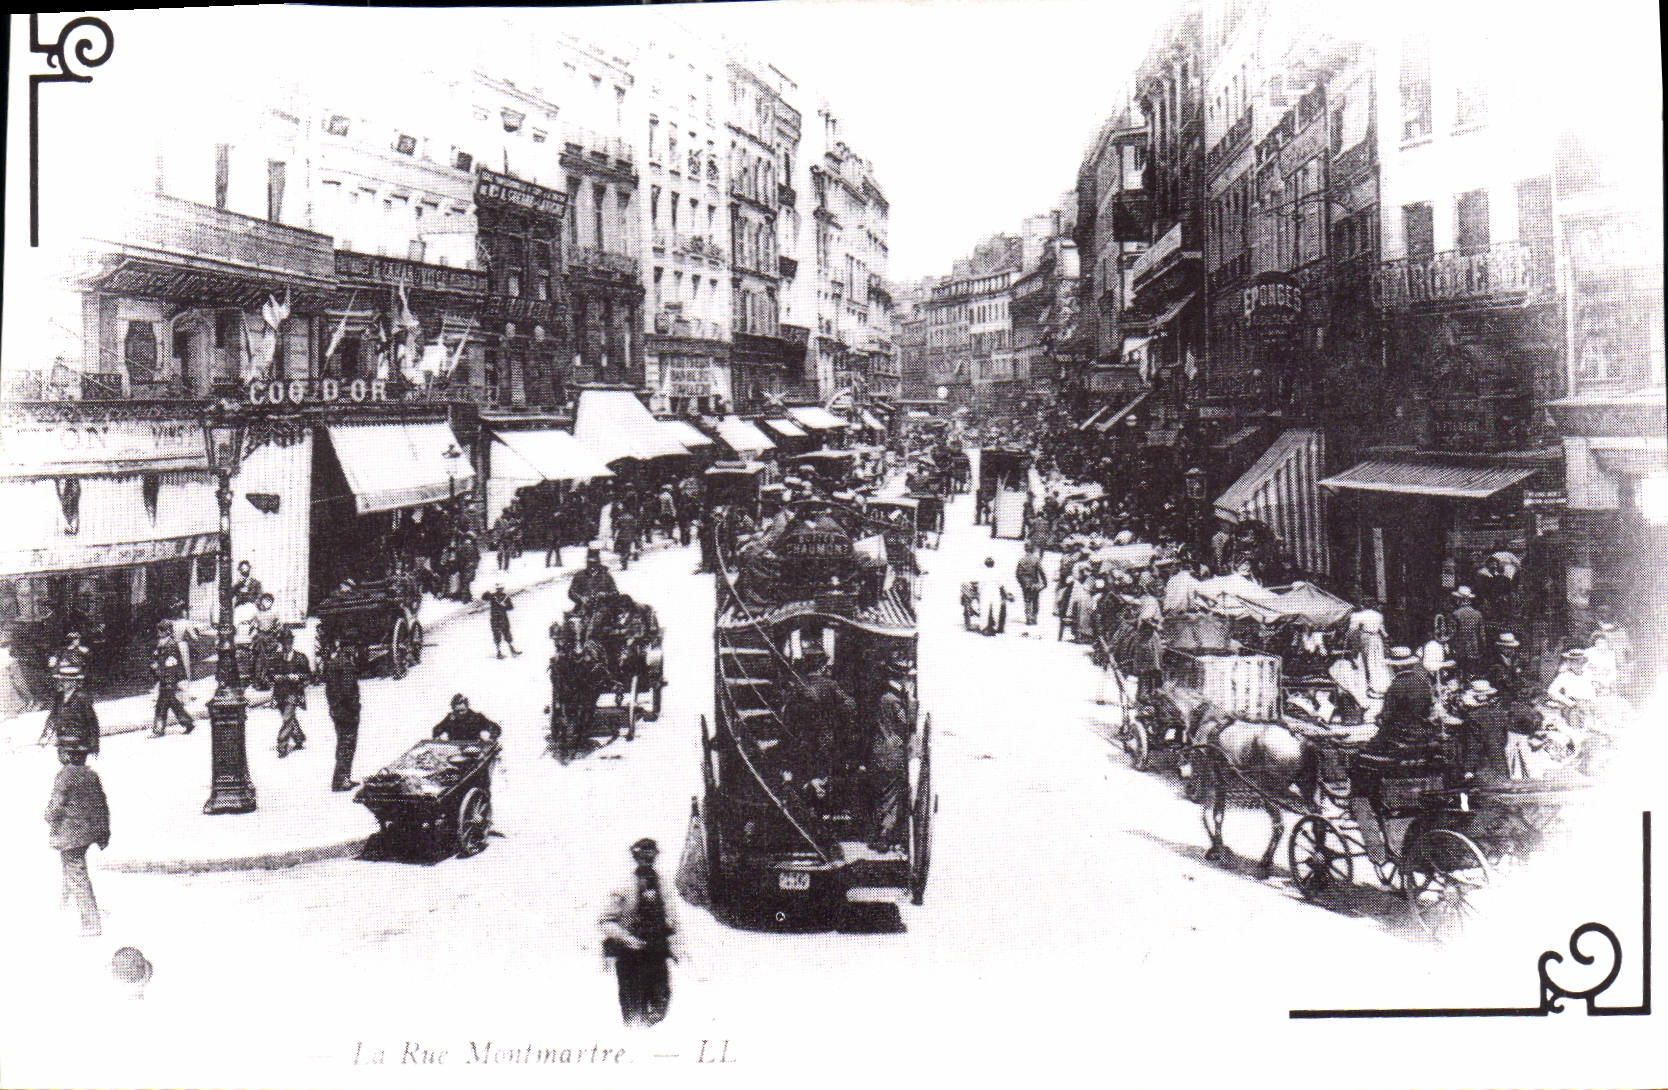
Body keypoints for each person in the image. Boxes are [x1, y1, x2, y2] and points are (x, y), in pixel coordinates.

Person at [598, 838, 682, 1028]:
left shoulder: (663, 885)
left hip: (656, 956)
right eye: (642, 857)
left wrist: (677, 948)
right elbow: (605, 921)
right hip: (630, 958)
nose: (647, 861)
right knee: (634, 1013)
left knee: (660, 1008)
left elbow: (672, 922)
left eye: (651, 857)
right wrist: (627, 939)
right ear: (635, 858)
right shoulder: (623, 886)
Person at [45, 743, 109, 936]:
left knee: (76, 874)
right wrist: (103, 832)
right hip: (87, 832)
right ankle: (65, 907)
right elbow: (102, 805)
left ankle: (91, 922)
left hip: (70, 834)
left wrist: (48, 816)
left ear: (66, 754)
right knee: (70, 870)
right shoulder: (91, 775)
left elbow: (55, 807)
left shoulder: (64, 776)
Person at [784, 640, 855, 793]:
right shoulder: (829, 685)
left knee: (806, 772)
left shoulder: (798, 686)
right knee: (824, 772)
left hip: (802, 737)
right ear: (822, 665)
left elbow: (788, 714)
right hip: (825, 735)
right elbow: (850, 705)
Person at [868, 655, 915, 853]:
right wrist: (910, 700)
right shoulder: (894, 700)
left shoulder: (882, 697)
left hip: (880, 753)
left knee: (884, 796)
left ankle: (879, 834)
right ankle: (884, 836)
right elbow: (908, 722)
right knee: (892, 798)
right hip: (892, 755)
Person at [1367, 646, 1438, 757]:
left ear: (1397, 666)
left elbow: (1387, 715)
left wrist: (1379, 718)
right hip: (1420, 730)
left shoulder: (1395, 686)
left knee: (1371, 746)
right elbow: (1427, 712)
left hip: (1401, 732)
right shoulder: (1423, 683)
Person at [322, 644, 361, 792]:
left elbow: (328, 690)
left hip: (336, 710)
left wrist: (334, 706)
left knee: (342, 743)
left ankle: (340, 778)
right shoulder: (347, 665)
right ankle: (342, 780)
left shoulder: (332, 664)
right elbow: (348, 690)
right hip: (347, 712)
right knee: (347, 744)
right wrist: (355, 707)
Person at [1456, 679, 1510, 779]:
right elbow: (1504, 739)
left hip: (1483, 762)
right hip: (1499, 759)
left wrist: (1469, 769)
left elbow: (1473, 744)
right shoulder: (1500, 713)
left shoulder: (1473, 717)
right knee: (1501, 783)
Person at [41, 662, 99, 756]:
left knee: (74, 764)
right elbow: (53, 717)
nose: (61, 683)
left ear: (74, 682)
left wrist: (94, 744)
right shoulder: (59, 697)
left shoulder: (82, 698)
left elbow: (92, 722)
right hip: (63, 743)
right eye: (61, 680)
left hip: (79, 745)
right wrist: (46, 736)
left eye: (65, 680)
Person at [270, 628, 311, 758]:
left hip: (294, 692)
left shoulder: (300, 657)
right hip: (280, 693)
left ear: (292, 642)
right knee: (289, 717)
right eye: (284, 642)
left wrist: (298, 677)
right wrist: (274, 677)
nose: (286, 645)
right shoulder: (276, 658)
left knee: (287, 718)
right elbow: (269, 674)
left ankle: (282, 745)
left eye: (288, 642)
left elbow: (308, 675)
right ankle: (299, 737)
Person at [150, 626, 195, 737]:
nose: (159, 633)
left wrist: (160, 669)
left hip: (169, 679)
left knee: (162, 704)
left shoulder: (170, 645)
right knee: (171, 703)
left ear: (167, 631)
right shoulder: (163, 644)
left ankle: (159, 729)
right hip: (165, 678)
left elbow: (172, 663)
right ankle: (187, 722)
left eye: (161, 631)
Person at [1484, 632, 1533, 706]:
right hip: (1500, 693)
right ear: (1501, 647)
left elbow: (1521, 675)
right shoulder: (1494, 661)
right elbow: (1500, 682)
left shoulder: (1515, 659)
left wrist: (1524, 684)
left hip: (1515, 691)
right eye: (1508, 648)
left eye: (1512, 648)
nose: (1511, 650)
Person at [246, 592, 283, 690]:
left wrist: (276, 634)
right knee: (259, 657)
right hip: (260, 638)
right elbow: (252, 626)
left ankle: (267, 679)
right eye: (265, 601)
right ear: (261, 601)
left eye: (269, 601)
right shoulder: (257, 614)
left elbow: (279, 627)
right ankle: (259, 679)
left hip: (271, 638)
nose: (267, 603)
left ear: (272, 603)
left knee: (269, 657)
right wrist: (253, 631)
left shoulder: (274, 614)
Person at [1448, 587, 1486, 679]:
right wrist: (1482, 648)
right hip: (1474, 649)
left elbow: (1452, 634)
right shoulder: (1478, 614)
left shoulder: (1456, 614)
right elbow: (1482, 635)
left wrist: (1450, 647)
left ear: (1460, 600)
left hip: (1459, 649)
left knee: (1459, 674)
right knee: (1472, 674)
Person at [433, 693, 503, 742]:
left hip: (474, 750)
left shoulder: (476, 718)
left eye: (462, 710)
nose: (460, 713)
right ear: (453, 709)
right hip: (454, 751)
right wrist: (437, 737)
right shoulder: (450, 719)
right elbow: (437, 729)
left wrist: (491, 739)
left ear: (467, 707)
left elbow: (495, 729)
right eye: (457, 711)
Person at [483, 584, 521, 658]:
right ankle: (499, 652)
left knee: (507, 634)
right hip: (495, 619)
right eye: (498, 589)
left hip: (503, 619)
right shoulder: (493, 596)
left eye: (501, 589)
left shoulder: (505, 597)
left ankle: (512, 650)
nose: (500, 590)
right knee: (497, 635)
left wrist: (505, 607)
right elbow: (484, 597)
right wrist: (486, 593)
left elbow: (511, 607)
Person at [1014, 543, 1048, 627]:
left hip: (1025, 584)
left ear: (1025, 549)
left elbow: (1017, 574)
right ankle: (1034, 618)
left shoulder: (1021, 560)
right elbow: (1041, 572)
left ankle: (1028, 618)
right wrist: (1045, 582)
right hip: (1034, 583)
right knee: (1035, 600)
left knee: (1027, 600)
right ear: (1032, 550)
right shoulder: (1036, 560)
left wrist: (1022, 583)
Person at [454, 531, 481, 602]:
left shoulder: (462, 547)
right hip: (467, 566)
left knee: (465, 581)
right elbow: (477, 557)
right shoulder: (471, 547)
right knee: (466, 581)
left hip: (465, 566)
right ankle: (465, 597)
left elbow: (477, 557)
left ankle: (465, 596)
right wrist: (474, 564)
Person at [613, 505, 640, 571]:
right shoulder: (632, 518)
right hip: (630, 535)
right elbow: (636, 526)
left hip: (622, 535)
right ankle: (631, 556)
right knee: (629, 547)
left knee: (622, 550)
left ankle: (624, 563)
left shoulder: (621, 518)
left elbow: (616, 526)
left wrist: (614, 534)